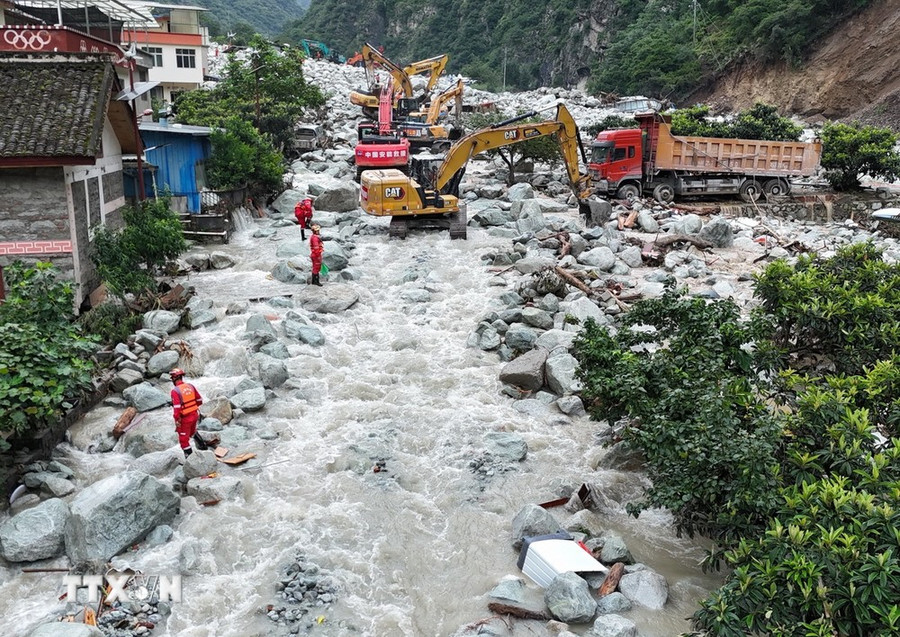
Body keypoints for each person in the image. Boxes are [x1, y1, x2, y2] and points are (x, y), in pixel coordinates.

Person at [170, 368, 206, 456]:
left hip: (185, 418)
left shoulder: (175, 391)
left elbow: (177, 409)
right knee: (192, 431)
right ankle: (203, 447)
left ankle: (190, 459)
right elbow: (199, 400)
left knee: (183, 440)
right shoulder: (190, 386)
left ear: (174, 378)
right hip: (195, 415)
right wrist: (192, 407)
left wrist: (177, 420)